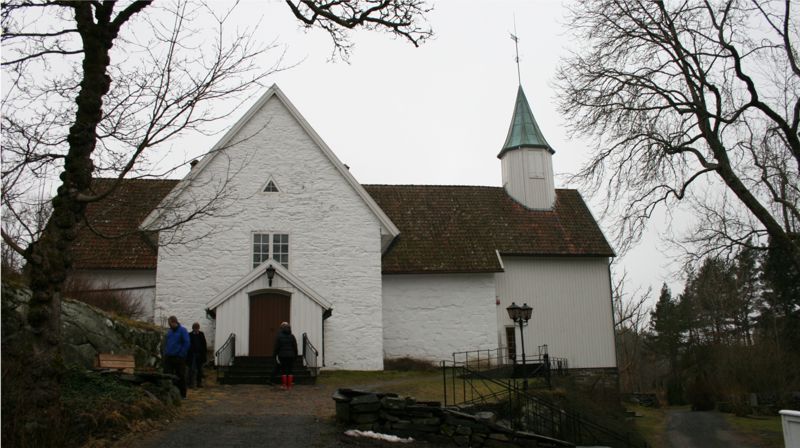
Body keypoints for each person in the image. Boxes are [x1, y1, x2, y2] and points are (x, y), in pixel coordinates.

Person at [164, 315, 190, 398]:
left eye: (170, 323)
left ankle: (182, 394)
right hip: (169, 357)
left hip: (179, 357)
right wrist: (166, 352)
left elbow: (186, 343)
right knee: (168, 374)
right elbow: (167, 343)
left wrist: (181, 354)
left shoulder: (182, 330)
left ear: (174, 322)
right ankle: (170, 393)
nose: (169, 325)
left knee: (181, 375)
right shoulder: (170, 332)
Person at [273, 322, 298, 389]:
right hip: (291, 355)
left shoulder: (279, 337)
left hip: (282, 355)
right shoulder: (292, 336)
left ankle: (284, 385)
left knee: (283, 370)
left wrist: (275, 354)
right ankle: (289, 386)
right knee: (290, 370)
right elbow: (295, 347)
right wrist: (296, 355)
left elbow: (276, 347)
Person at [188, 322, 207, 388]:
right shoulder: (189, 335)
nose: (196, 330)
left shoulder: (201, 334)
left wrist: (204, 354)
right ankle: (191, 383)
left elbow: (204, 344)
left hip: (200, 354)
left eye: (197, 328)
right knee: (192, 369)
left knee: (199, 369)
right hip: (192, 354)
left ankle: (199, 383)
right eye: (195, 328)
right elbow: (188, 345)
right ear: (193, 328)